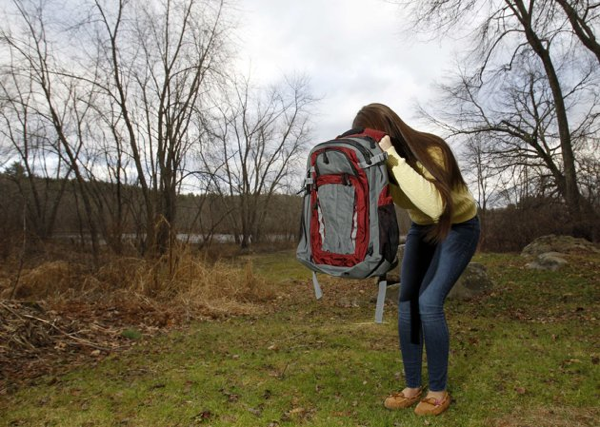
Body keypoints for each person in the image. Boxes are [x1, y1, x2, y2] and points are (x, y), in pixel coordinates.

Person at [352, 103, 480, 416]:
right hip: (422, 230)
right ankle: (412, 387)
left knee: (430, 302)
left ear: (387, 132)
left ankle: (437, 390)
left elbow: (435, 206)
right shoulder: (381, 164)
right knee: (407, 301)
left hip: (458, 227)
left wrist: (393, 157)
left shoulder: (433, 150)